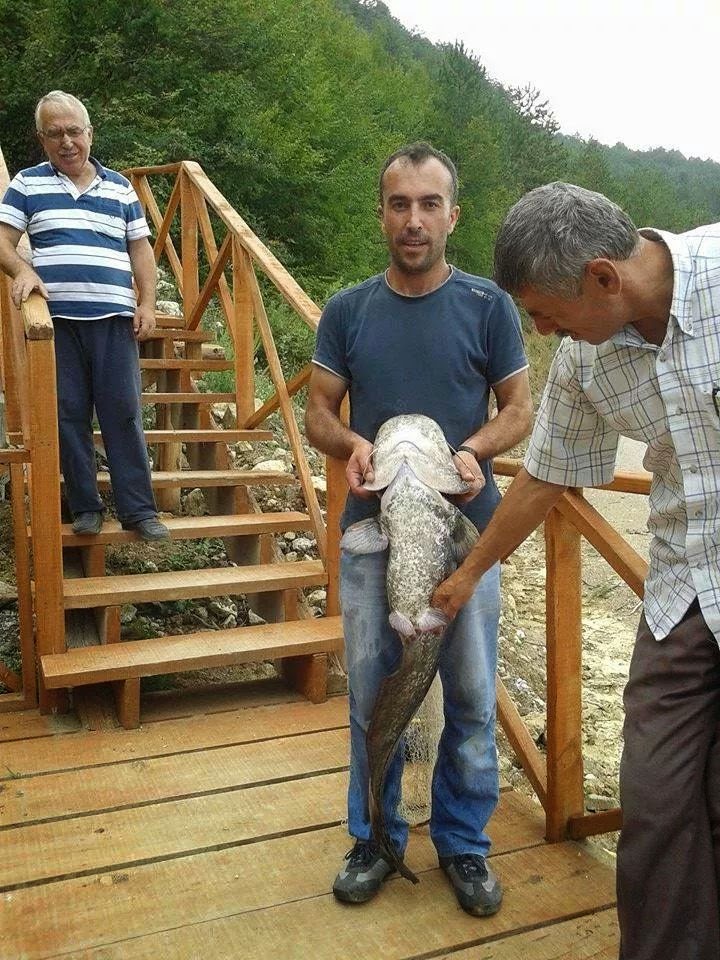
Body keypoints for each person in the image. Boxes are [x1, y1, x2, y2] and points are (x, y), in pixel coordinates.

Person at [432, 181, 720, 959]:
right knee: (655, 799)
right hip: (684, 592)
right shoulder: (583, 362)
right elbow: (544, 477)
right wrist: (465, 577)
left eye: (545, 312)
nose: (541, 329)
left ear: (603, 277)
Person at [305, 142, 533, 915]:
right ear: (382, 213)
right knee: (370, 696)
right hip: (372, 534)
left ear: (453, 214)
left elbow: (518, 411)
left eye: (429, 204)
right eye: (399, 204)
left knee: (470, 696)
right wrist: (350, 444)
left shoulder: (488, 305)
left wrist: (474, 451)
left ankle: (465, 847)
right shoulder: (348, 309)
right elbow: (317, 414)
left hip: (467, 535)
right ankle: (375, 838)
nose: (413, 220)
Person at [0, 90, 168, 541]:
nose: (66, 141)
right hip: (57, 323)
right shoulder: (27, 184)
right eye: (55, 133)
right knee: (68, 415)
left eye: (74, 131)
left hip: (115, 319)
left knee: (124, 414)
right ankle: (86, 508)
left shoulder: (120, 187)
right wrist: (22, 268)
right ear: (42, 139)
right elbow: (2, 237)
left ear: (90, 133)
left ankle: (139, 511)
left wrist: (148, 303)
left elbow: (141, 249)